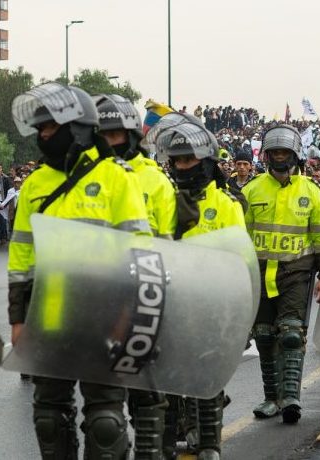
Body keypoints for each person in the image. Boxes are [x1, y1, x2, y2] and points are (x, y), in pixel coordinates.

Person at [8, 82, 150, 459]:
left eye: (50, 127)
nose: (43, 135)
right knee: (48, 418)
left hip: (107, 315)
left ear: (78, 127)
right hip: (49, 316)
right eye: (40, 129)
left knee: (105, 421)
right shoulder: (34, 184)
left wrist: (130, 318)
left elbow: (139, 254)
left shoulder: (117, 178)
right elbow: (22, 257)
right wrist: (17, 317)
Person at [152, 117, 246, 460]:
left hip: (210, 306)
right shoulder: (164, 200)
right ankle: (170, 441)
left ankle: (209, 444)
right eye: (176, 160)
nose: (181, 166)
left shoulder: (226, 205)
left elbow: (238, 260)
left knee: (208, 380)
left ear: (205, 161)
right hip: (170, 303)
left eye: (188, 159)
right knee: (170, 382)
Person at [95, 93, 176, 459]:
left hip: (144, 297)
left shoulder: (157, 181)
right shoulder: (85, 175)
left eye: (116, 134)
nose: (110, 142)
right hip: (95, 299)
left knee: (146, 394)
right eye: (102, 134)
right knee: (103, 413)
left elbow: (167, 243)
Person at [242, 124, 320, 424]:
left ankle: (291, 397)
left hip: (296, 273)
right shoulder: (251, 190)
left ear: (295, 154)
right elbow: (239, 236)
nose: (280, 157)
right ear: (267, 156)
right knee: (265, 336)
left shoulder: (313, 192)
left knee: (292, 334)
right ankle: (271, 398)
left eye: (285, 152)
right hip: (259, 274)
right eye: (275, 152)